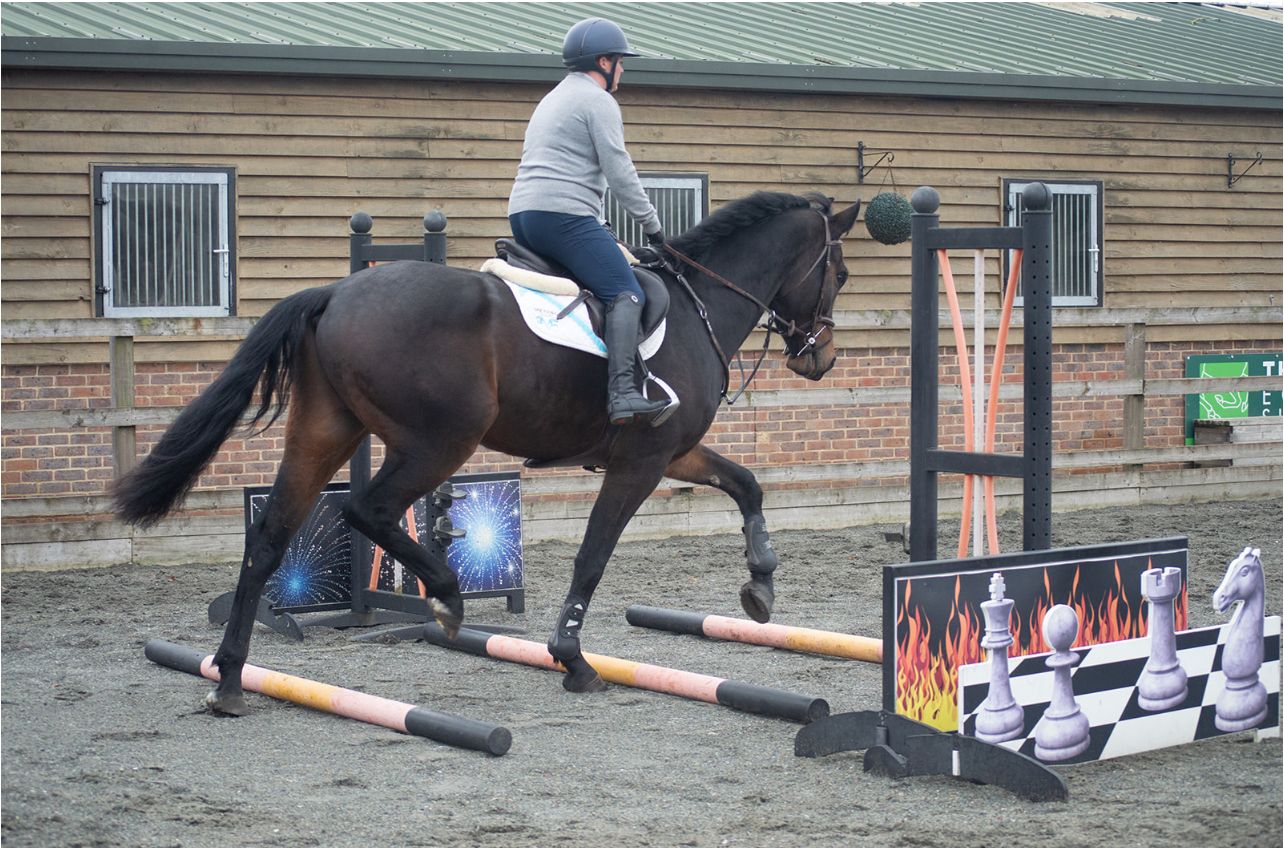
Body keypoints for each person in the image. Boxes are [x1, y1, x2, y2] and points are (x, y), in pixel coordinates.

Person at [508, 17, 673, 427]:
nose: (623, 71)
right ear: (603, 62)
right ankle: (623, 394)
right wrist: (654, 228)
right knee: (625, 292)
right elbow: (619, 171)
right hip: (563, 216)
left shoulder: (553, 98)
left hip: (525, 216)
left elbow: (571, 170)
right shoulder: (598, 101)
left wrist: (601, 226)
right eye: (621, 62)